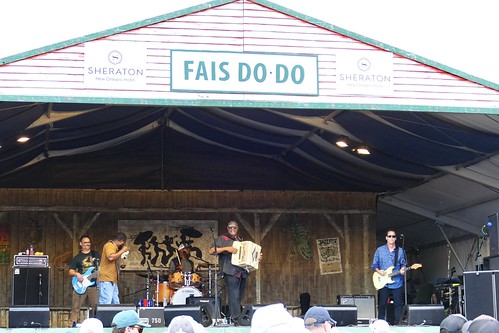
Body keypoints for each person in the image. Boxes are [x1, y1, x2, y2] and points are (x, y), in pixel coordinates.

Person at [209, 220, 262, 324]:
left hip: (241, 271)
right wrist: (227, 248)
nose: (232, 229)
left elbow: (247, 256)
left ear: (237, 228)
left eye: (234, 227)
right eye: (230, 227)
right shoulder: (222, 239)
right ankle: (236, 320)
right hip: (230, 270)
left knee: (239, 295)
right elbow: (211, 250)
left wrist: (257, 257)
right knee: (234, 295)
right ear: (227, 228)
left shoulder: (240, 240)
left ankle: (231, 317)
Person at [371, 228, 407, 325]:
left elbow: (404, 264)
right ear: (386, 238)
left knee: (398, 304)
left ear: (395, 239)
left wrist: (403, 269)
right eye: (389, 236)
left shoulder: (400, 251)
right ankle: (380, 323)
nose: (391, 238)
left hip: (397, 282)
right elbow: (374, 265)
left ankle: (398, 323)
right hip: (383, 282)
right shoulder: (380, 250)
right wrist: (379, 271)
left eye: (393, 236)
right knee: (382, 304)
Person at [68, 235, 101, 327]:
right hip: (80, 285)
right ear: (80, 244)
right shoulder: (77, 257)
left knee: (96, 308)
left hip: (93, 286)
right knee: (75, 308)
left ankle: (97, 327)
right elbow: (70, 271)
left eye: (89, 242)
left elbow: (101, 267)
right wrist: (77, 274)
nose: (87, 244)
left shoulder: (96, 255)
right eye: (85, 242)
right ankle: (70, 327)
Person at [98, 232, 128, 304]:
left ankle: (116, 315)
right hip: (107, 279)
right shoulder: (110, 245)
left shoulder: (114, 247)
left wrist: (119, 264)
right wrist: (123, 250)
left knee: (115, 302)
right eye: (123, 243)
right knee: (106, 302)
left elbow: (111, 261)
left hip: (112, 280)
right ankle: (103, 315)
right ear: (121, 241)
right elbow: (111, 257)